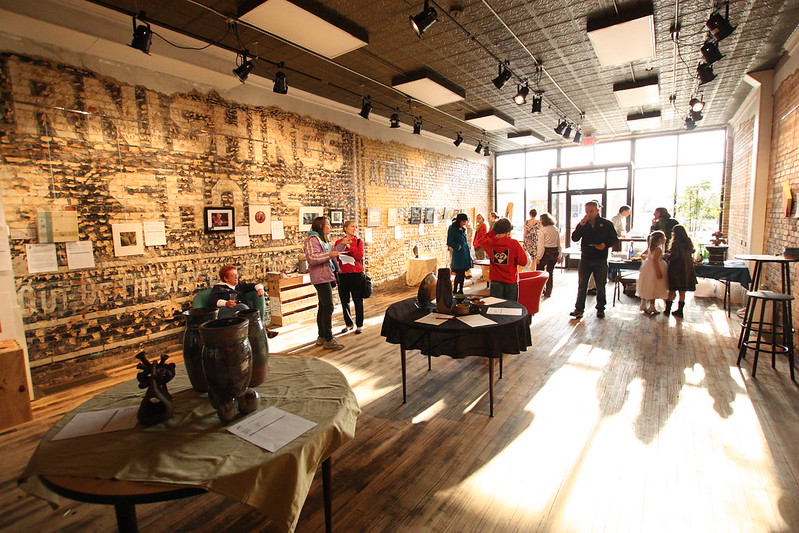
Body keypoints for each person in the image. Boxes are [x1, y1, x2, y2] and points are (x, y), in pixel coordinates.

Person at [570, 200, 618, 319]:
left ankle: (600, 308)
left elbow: (614, 239)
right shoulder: (583, 224)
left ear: (597, 210)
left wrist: (605, 245)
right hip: (585, 258)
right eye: (586, 211)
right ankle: (579, 309)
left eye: (591, 211)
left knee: (600, 285)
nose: (589, 214)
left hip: (600, 258)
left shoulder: (606, 224)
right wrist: (580, 225)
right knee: (582, 285)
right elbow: (574, 238)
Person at [303, 216, 344, 350]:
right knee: (328, 307)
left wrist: (342, 243)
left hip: (326, 275)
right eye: (328, 224)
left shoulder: (322, 239)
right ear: (321, 226)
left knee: (323, 307)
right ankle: (328, 338)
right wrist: (329, 255)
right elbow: (312, 258)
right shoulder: (312, 240)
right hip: (320, 277)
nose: (330, 226)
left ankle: (322, 336)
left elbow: (331, 252)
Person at [209, 265, 278, 337]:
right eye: (232, 276)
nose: (236, 277)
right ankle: (262, 331)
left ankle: (260, 331)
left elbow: (255, 285)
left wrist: (260, 289)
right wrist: (225, 303)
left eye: (236, 275)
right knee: (243, 308)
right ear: (226, 278)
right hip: (226, 313)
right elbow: (212, 301)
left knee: (247, 310)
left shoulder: (239, 285)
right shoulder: (219, 288)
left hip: (242, 312)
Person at [476, 217, 528, 301]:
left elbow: (480, 241)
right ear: (509, 230)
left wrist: (493, 232)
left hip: (496, 279)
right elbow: (523, 262)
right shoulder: (514, 243)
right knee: (511, 307)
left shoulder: (490, 243)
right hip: (511, 279)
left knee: (496, 305)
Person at [334, 220, 365, 335]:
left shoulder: (358, 242)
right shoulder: (339, 242)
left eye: (356, 227)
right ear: (345, 228)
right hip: (343, 274)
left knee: (357, 300)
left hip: (356, 274)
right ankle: (348, 323)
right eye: (352, 226)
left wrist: (349, 246)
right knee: (344, 301)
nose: (354, 229)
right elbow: (335, 256)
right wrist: (342, 246)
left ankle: (359, 325)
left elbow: (359, 256)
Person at [665, 224, 697, 317]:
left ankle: (667, 310)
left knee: (672, 290)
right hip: (687, 268)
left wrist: (667, 256)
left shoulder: (676, 243)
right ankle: (680, 311)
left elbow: (674, 256)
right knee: (682, 291)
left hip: (676, 269)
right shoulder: (688, 241)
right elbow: (692, 251)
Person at [636, 230, 669, 315]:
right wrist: (658, 271)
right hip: (655, 269)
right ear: (659, 239)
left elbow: (642, 255)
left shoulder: (650, 248)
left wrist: (647, 259)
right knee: (654, 287)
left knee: (647, 285)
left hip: (647, 268)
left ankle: (643, 304)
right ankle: (651, 306)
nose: (665, 239)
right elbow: (655, 261)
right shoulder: (658, 249)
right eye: (663, 237)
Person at [537, 213, 561, 298]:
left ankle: (539, 290)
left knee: (539, 271)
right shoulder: (555, 229)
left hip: (546, 252)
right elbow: (559, 243)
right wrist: (559, 256)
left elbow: (541, 245)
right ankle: (548, 292)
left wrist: (538, 257)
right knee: (550, 272)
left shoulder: (542, 230)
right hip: (554, 252)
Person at [447, 213, 472, 294]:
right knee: (459, 272)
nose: (464, 223)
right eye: (463, 221)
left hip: (465, 253)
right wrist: (458, 247)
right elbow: (449, 242)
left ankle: (460, 289)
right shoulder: (452, 229)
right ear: (459, 221)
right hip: (458, 254)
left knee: (463, 273)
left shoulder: (463, 229)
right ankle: (455, 289)